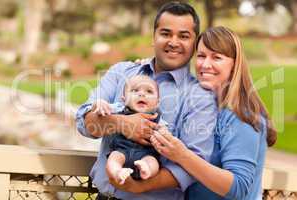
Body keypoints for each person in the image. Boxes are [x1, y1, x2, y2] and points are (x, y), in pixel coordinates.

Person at [76, 2, 218, 200]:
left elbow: (194, 164)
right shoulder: (121, 73)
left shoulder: (201, 97)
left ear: (195, 44)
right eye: (166, 33)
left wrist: (137, 187)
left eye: (183, 36)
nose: (173, 42)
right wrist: (121, 123)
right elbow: (83, 122)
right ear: (154, 37)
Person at [150, 26, 277, 200]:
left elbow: (239, 188)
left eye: (216, 57)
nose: (205, 64)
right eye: (201, 56)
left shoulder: (241, 115)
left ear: (234, 64)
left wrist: (182, 155)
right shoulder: (200, 106)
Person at [93, 75, 167, 185]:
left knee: (153, 162)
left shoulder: (157, 118)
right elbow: (100, 110)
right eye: (135, 90)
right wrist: (99, 104)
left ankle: (146, 169)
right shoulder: (119, 108)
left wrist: (163, 135)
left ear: (157, 102)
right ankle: (118, 172)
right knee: (113, 159)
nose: (141, 94)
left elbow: (165, 132)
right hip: (121, 150)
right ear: (124, 99)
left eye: (149, 91)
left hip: (146, 153)